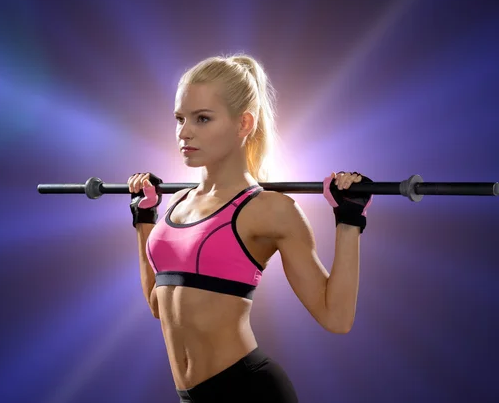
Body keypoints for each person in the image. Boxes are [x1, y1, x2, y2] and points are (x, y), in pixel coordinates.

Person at [127, 54, 373, 403]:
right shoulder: (176, 204)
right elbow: (158, 305)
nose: (184, 132)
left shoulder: (269, 209)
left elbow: (336, 317)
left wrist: (349, 220)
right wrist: (144, 220)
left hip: (249, 392)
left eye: (202, 119)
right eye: (180, 119)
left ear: (244, 124)